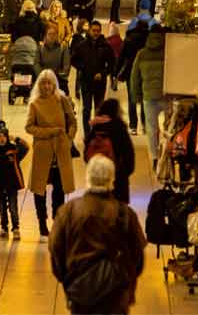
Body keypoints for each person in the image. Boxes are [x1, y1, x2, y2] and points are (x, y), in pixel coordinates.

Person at [48, 156, 147, 315]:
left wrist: (67, 280)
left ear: (88, 177)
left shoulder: (69, 211)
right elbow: (138, 258)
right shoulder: (124, 214)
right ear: (112, 179)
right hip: (115, 294)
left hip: (79, 290)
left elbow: (55, 250)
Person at [26, 69, 78, 239]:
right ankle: (42, 222)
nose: (46, 86)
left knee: (60, 189)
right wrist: (49, 132)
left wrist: (69, 137)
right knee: (39, 189)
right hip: (43, 152)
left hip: (60, 151)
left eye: (49, 83)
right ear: (38, 85)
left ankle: (58, 221)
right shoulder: (34, 104)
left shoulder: (62, 100)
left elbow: (72, 121)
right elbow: (29, 127)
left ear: (54, 84)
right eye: (43, 83)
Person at [130, 23, 166, 167]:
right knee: (170, 128)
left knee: (151, 128)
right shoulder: (168, 52)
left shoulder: (142, 54)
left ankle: (155, 157)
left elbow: (134, 77)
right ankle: (169, 154)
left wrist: (136, 95)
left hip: (149, 95)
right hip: (166, 94)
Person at [0, 126, 30, 239]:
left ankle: (16, 229)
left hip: (12, 185)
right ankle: (4, 229)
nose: (2, 138)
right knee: (2, 208)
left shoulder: (13, 151)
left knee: (13, 207)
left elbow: (26, 147)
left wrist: (16, 139)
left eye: (4, 136)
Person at [86, 99, 136, 204]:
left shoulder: (95, 126)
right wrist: (126, 172)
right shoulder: (119, 127)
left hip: (97, 175)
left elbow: (86, 153)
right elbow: (128, 153)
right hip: (117, 176)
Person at [71, 20, 115, 139]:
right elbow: (73, 60)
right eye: (93, 30)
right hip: (86, 82)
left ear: (100, 32)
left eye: (98, 31)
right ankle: (87, 134)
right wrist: (83, 68)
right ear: (89, 31)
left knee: (98, 110)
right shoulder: (82, 46)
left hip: (100, 84)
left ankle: (97, 133)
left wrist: (103, 73)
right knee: (86, 110)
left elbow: (112, 64)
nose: (95, 33)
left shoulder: (106, 46)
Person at [116, 16, 150, 134]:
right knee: (145, 98)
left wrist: (116, 72)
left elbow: (122, 56)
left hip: (131, 71)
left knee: (132, 99)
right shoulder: (149, 39)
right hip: (146, 71)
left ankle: (133, 126)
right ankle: (145, 125)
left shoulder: (129, 38)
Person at [37, 23, 72, 94]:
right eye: (50, 34)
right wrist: (43, 75)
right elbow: (36, 63)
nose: (52, 36)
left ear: (57, 35)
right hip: (44, 81)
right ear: (46, 35)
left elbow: (66, 65)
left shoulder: (63, 48)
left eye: (54, 34)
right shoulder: (40, 48)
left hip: (59, 81)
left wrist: (59, 75)